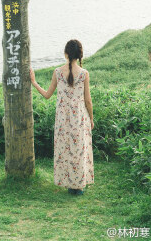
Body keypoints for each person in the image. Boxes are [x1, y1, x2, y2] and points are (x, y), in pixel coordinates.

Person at [29, 39, 95, 195]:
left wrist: (34, 82)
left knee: (64, 149)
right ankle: (78, 186)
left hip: (62, 118)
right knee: (78, 149)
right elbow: (88, 101)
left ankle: (67, 182)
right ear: (80, 55)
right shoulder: (84, 74)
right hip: (79, 118)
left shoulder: (57, 72)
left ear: (65, 54)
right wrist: (91, 118)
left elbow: (47, 95)